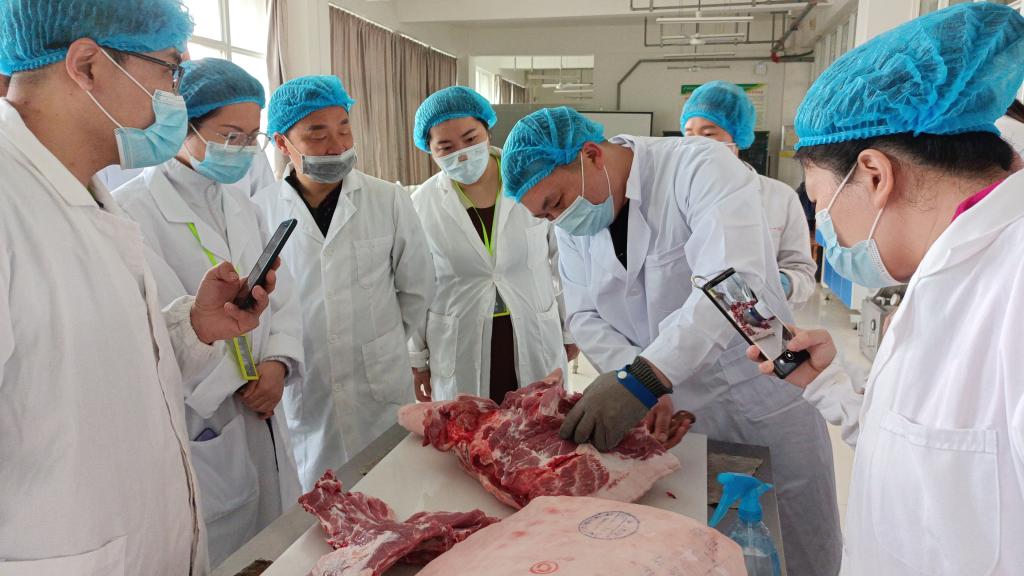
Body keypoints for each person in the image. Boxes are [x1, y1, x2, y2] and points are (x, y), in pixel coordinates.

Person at [500, 107, 841, 576]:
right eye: (546, 215)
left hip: (756, 399)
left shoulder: (697, 168)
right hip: (672, 416)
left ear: (592, 155)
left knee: (789, 550)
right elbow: (583, 313)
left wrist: (646, 376)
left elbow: (733, 285)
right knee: (696, 553)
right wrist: (637, 377)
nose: (559, 219)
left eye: (556, 202)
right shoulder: (577, 227)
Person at [0, 1, 279, 573]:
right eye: (170, 69)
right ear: (87, 65)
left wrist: (194, 327)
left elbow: (93, 366)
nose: (177, 94)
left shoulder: (84, 195)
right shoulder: (11, 203)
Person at [745, 3, 1024, 573]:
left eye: (820, 202)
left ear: (874, 174)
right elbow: (923, 457)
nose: (824, 227)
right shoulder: (945, 274)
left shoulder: (1012, 282)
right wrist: (828, 384)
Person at [112, 58, 303, 566]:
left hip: (262, 408)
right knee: (224, 554)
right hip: (205, 414)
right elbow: (159, 329)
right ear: (185, 126)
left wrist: (277, 365)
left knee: (278, 546)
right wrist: (240, 383)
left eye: (251, 138)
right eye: (229, 136)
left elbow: (282, 299)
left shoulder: (242, 205)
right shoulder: (133, 212)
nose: (241, 150)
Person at [253, 75, 434, 489]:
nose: (336, 146)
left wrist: (380, 339)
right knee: (318, 497)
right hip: (307, 382)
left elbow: (417, 287)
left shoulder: (388, 199)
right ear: (282, 143)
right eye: (317, 134)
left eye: (344, 129)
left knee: (391, 490)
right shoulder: (261, 211)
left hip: (379, 379)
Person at [408, 86, 577, 403]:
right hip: (460, 340)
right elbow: (415, 285)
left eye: (470, 138)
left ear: (487, 131)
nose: (462, 153)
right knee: (471, 426)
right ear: (429, 150)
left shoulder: (532, 182)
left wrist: (571, 328)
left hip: (532, 329)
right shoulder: (421, 204)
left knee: (537, 423)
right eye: (446, 147)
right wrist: (417, 359)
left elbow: (563, 262)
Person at [682, 81, 817, 306]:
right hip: (683, 320)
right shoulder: (673, 197)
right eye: (689, 134)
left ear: (737, 136)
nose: (696, 144)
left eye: (708, 134)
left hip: (756, 320)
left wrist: (781, 284)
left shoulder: (780, 198)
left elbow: (802, 273)